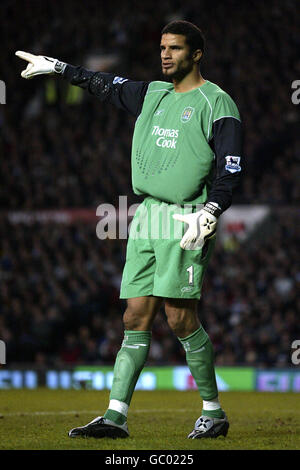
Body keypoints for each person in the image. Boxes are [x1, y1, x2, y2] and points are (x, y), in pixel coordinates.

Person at [16, 20, 242, 439]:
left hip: (186, 216)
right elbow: (103, 83)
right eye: (162, 47)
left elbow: (231, 169)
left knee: (178, 318)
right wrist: (59, 67)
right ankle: (115, 416)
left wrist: (210, 211)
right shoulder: (151, 93)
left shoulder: (218, 103)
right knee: (135, 314)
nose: (165, 54)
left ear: (196, 55)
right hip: (147, 215)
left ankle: (213, 412)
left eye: (175, 48)